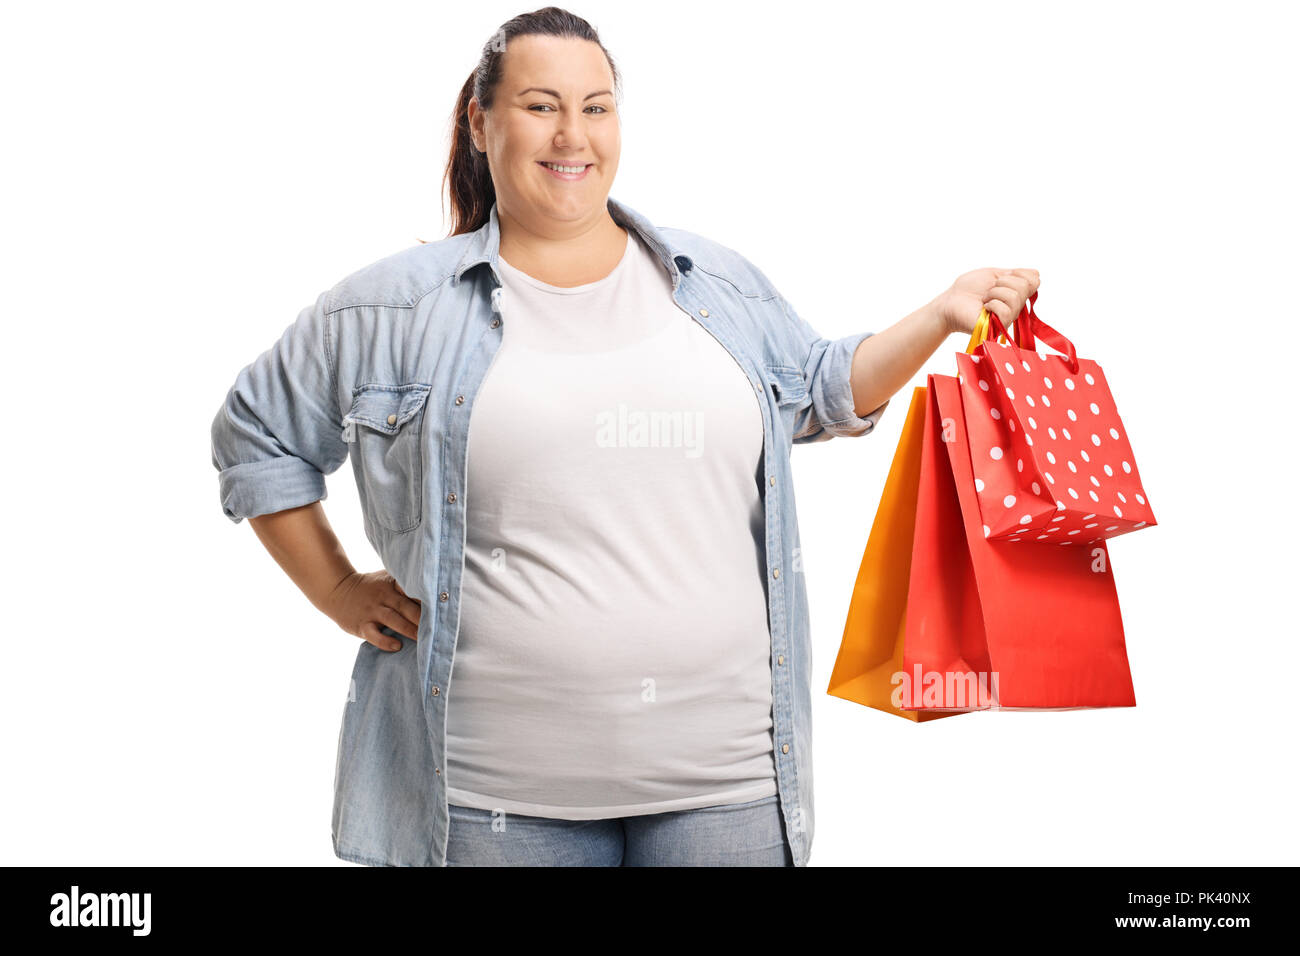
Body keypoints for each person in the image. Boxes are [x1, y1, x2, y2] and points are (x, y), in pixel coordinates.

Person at [209, 6, 1038, 867]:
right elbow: (257, 435)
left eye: (596, 106)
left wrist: (943, 314)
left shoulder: (711, 284)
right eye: (540, 104)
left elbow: (820, 388)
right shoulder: (391, 309)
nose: (573, 134)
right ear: (481, 120)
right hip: (490, 801)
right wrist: (339, 589)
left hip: (729, 787)